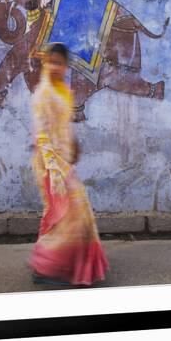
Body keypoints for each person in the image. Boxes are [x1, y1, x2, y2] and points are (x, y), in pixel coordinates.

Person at [28, 42, 110, 286]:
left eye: (59, 63)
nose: (54, 67)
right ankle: (46, 265)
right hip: (49, 164)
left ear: (65, 66)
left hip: (62, 161)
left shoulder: (63, 89)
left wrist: (74, 144)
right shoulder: (43, 94)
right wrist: (53, 170)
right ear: (45, 63)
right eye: (50, 61)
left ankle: (52, 265)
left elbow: (63, 124)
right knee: (69, 213)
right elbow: (42, 135)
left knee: (66, 213)